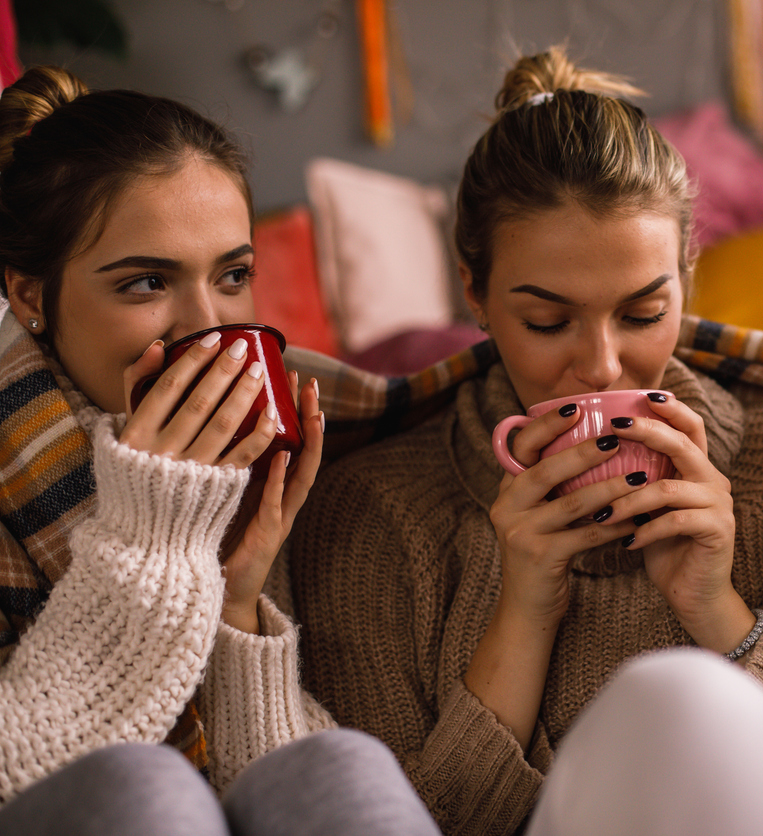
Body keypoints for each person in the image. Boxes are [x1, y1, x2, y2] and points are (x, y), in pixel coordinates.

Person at [288, 47, 763, 836]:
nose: (602, 363)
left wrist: (717, 611)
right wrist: (522, 614)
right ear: (475, 293)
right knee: (679, 707)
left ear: (687, 281)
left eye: (640, 314)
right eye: (547, 321)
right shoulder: (372, 517)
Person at [0, 66, 438, 835]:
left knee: (343, 764)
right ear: (31, 296)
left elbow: (268, 792)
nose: (207, 326)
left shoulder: (259, 460)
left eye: (234, 275)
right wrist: (152, 539)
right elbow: (25, 773)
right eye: (145, 283)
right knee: (143, 789)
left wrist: (234, 603)